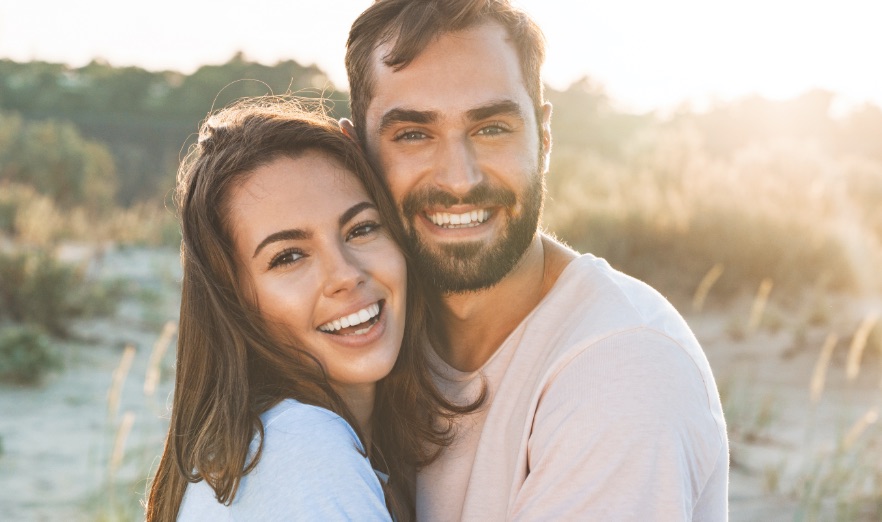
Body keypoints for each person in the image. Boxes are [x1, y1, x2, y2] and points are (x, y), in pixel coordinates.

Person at [341, 0, 730, 520]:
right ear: (356, 155)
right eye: (414, 134)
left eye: (492, 128)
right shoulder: (362, 334)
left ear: (543, 138)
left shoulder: (622, 372)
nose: (460, 179)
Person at [145, 98, 479, 521]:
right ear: (234, 301)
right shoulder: (301, 449)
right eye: (288, 257)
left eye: (361, 229)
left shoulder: (259, 447)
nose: (345, 274)